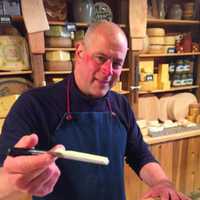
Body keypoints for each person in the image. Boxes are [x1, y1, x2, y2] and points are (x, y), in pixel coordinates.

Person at [0, 21, 190, 200]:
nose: (108, 71)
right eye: (100, 58)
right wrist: (13, 181)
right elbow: (5, 172)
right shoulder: (34, 105)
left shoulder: (120, 105)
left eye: (116, 63)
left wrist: (162, 182)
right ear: (80, 52)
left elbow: (139, 154)